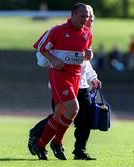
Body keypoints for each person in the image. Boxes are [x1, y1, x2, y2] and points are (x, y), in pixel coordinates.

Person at [28, 4, 101, 160]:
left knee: (59, 114)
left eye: (88, 17)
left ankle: (40, 145)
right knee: (73, 109)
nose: (86, 20)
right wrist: (53, 60)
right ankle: (57, 142)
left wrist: (89, 56)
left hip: (77, 78)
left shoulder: (87, 34)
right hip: (59, 76)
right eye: (83, 16)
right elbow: (41, 48)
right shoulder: (57, 31)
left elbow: (85, 58)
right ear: (73, 15)